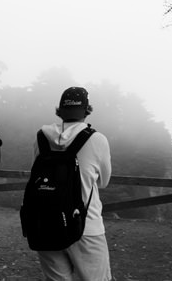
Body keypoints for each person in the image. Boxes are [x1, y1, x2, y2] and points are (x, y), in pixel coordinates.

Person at [32, 86, 112, 281]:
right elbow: (103, 182)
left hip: (45, 224)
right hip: (86, 226)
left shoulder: (41, 138)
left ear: (59, 111)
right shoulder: (97, 140)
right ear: (87, 110)